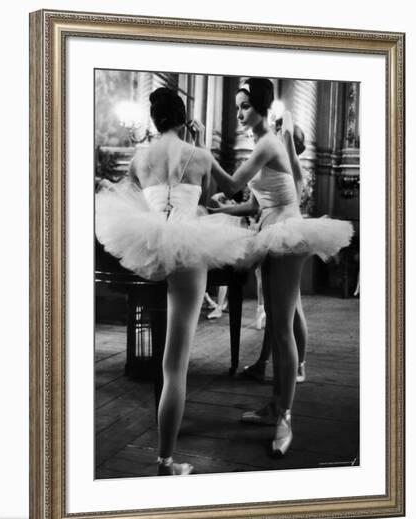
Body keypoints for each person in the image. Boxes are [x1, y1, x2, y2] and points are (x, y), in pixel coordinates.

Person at [95, 87, 254, 475]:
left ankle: (165, 455)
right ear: (185, 119)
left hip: (148, 244)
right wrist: (197, 144)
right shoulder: (198, 154)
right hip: (188, 248)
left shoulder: (139, 157)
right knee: (175, 363)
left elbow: (135, 194)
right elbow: (233, 187)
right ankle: (166, 460)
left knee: (157, 337)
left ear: (154, 121)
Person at [194, 77, 353, 456]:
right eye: (236, 107)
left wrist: (204, 153)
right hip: (271, 230)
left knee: (280, 329)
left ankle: (284, 417)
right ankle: (274, 404)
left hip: (284, 235)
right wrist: (222, 209)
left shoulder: (267, 142)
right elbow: (254, 202)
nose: (239, 113)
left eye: (244, 106)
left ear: (263, 107)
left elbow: (233, 182)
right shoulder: (265, 144)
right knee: (279, 323)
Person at [241, 118, 308, 384]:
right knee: (276, 308)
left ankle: (299, 365)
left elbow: (289, 134)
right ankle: (263, 361)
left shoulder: (292, 167)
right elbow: (255, 203)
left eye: (280, 133)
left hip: (286, 238)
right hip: (269, 235)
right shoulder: (275, 164)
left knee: (293, 310)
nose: (276, 134)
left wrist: (286, 128)